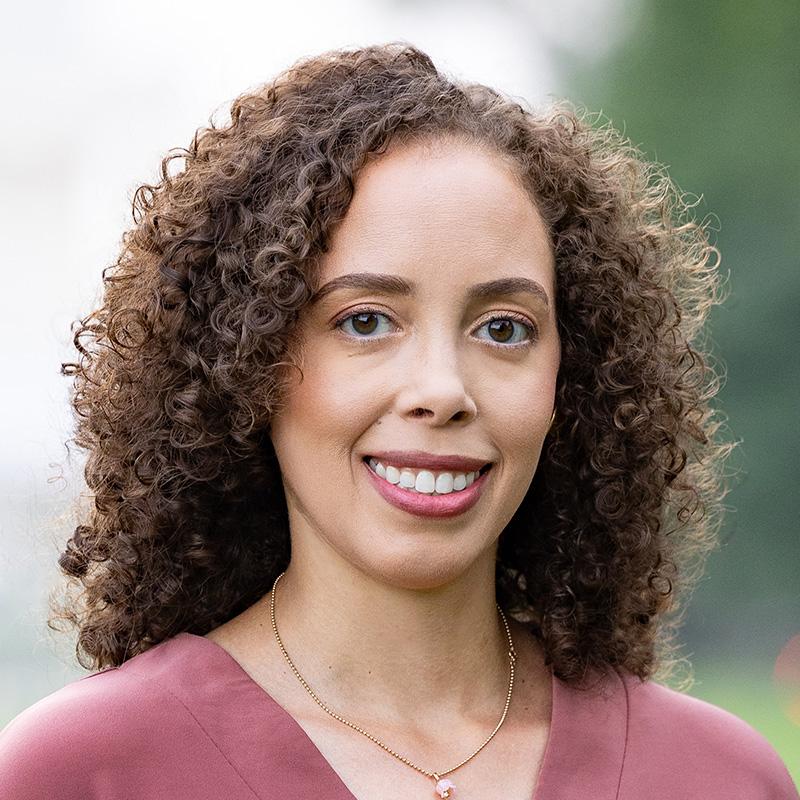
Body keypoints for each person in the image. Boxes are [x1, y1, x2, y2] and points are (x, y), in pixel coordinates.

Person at [0, 42, 796, 800]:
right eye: (366, 321)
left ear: (571, 379)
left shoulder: (719, 778)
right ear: (247, 362)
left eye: (504, 328)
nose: (442, 390)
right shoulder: (82, 774)